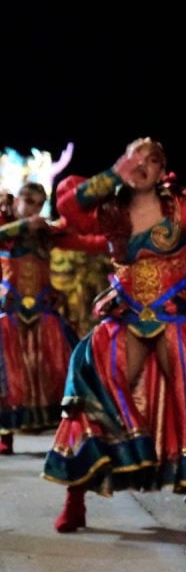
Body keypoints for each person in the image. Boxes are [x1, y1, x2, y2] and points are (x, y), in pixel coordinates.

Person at [43, 138, 186, 533]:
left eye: (152, 159)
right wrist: (115, 171)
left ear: (162, 170)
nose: (142, 164)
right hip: (124, 315)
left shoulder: (181, 211)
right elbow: (68, 208)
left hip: (174, 320)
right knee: (94, 394)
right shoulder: (109, 211)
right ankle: (76, 496)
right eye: (135, 157)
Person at [0, 183, 106, 454]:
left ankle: (67, 431)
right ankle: (5, 433)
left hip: (43, 309)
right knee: (10, 372)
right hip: (9, 309)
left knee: (55, 366)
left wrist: (122, 239)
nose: (33, 207)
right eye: (28, 201)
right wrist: (23, 226)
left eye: (39, 203)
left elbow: (88, 242)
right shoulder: (6, 228)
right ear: (15, 202)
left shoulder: (47, 234)